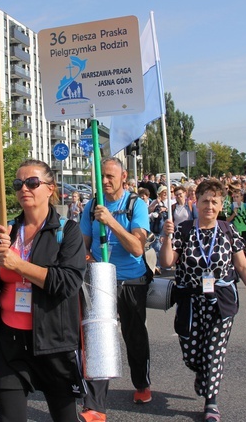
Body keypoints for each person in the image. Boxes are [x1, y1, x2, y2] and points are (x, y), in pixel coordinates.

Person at [0, 160, 86, 422]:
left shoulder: (67, 231)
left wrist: (19, 265)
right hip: (10, 344)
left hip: (52, 342)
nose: (24, 188)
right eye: (18, 184)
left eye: (32, 183)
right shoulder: (9, 230)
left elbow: (67, 282)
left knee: (65, 418)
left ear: (50, 188)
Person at [160, 179, 246, 422]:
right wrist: (166, 238)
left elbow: (242, 266)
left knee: (214, 351)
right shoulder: (184, 230)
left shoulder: (228, 231)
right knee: (191, 353)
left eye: (214, 202)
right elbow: (167, 262)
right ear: (195, 203)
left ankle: (211, 402)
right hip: (190, 299)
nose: (209, 205)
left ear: (221, 205)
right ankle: (203, 373)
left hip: (221, 300)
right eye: (205, 201)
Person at [80, 157, 151, 421]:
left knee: (134, 336)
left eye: (110, 176)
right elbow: (84, 247)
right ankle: (95, 405)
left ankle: (141, 383)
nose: (105, 181)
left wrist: (111, 221)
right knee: (98, 338)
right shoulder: (91, 207)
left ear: (124, 177)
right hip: (100, 279)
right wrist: (86, 258)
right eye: (101, 176)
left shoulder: (136, 205)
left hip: (131, 279)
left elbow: (137, 247)